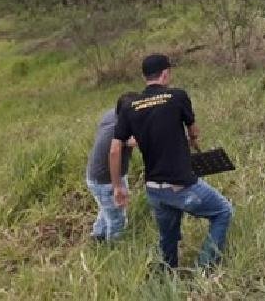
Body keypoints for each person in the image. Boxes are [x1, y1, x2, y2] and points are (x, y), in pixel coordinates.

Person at [109, 54, 233, 269]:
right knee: (222, 212)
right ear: (165, 73)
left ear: (145, 77)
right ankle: (205, 267)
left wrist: (118, 186)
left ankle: (167, 274)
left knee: (168, 238)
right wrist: (193, 140)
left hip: (155, 190)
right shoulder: (177, 96)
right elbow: (193, 130)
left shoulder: (130, 107)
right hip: (181, 185)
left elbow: (114, 149)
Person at [86, 92, 140, 242]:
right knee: (117, 220)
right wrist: (117, 187)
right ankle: (115, 249)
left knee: (107, 209)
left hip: (96, 176)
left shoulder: (112, 115)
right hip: (106, 181)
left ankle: (98, 236)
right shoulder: (116, 131)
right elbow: (115, 151)